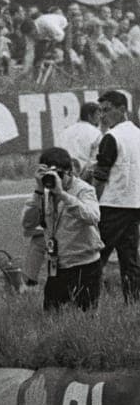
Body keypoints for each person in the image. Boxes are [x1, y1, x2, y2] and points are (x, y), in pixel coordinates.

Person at [21, 147, 103, 310]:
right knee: (51, 314)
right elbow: (28, 224)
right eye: (49, 174)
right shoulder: (42, 192)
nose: (54, 179)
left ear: (70, 172)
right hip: (57, 264)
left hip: (85, 264)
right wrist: (38, 190)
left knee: (86, 317)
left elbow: (93, 216)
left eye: (59, 174)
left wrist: (63, 195)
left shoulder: (84, 189)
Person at [91, 89, 140, 301]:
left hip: (112, 205)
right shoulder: (138, 133)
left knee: (95, 256)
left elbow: (101, 175)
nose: (102, 115)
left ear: (122, 109)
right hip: (134, 203)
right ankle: (134, 302)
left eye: (107, 110)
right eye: (100, 111)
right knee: (130, 259)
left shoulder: (111, 137)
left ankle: (87, 301)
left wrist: (91, 203)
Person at [55, 101, 101, 176]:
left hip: (64, 175)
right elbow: (93, 163)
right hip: (83, 177)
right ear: (90, 116)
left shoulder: (66, 131)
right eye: (98, 114)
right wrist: (81, 181)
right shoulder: (96, 133)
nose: (100, 117)